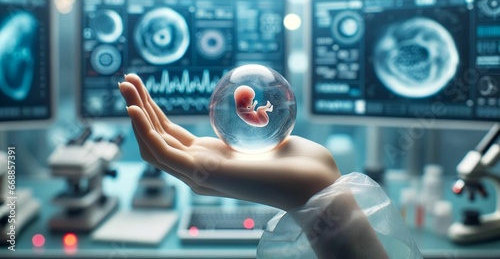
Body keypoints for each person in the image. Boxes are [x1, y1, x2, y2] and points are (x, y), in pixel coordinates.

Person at [119, 74, 422, 259]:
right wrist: (321, 194)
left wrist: (318, 191)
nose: (251, 103)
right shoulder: (248, 108)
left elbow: (257, 112)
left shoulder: (253, 109)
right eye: (249, 101)